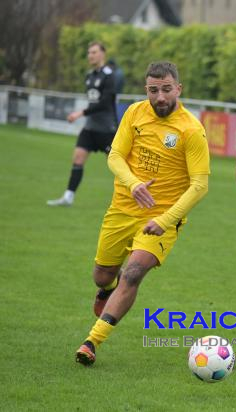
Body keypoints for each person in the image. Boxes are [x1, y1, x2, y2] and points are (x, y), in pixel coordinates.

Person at [75, 61, 210, 366]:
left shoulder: (191, 129)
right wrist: (133, 183)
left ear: (178, 88)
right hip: (122, 209)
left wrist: (165, 220)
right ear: (146, 89)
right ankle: (107, 289)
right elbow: (116, 155)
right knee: (102, 274)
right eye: (153, 90)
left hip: (162, 218)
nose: (160, 97)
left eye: (166, 89)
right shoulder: (135, 113)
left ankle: (92, 341)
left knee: (133, 273)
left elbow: (200, 185)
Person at [47, 41, 117, 207]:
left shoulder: (109, 75)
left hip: (107, 129)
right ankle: (68, 197)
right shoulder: (89, 76)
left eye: (93, 52)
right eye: (88, 52)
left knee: (118, 166)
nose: (90, 55)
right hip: (90, 128)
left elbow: (106, 103)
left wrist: (81, 113)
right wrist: (85, 115)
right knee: (78, 158)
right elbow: (93, 102)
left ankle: (133, 197)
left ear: (102, 54)